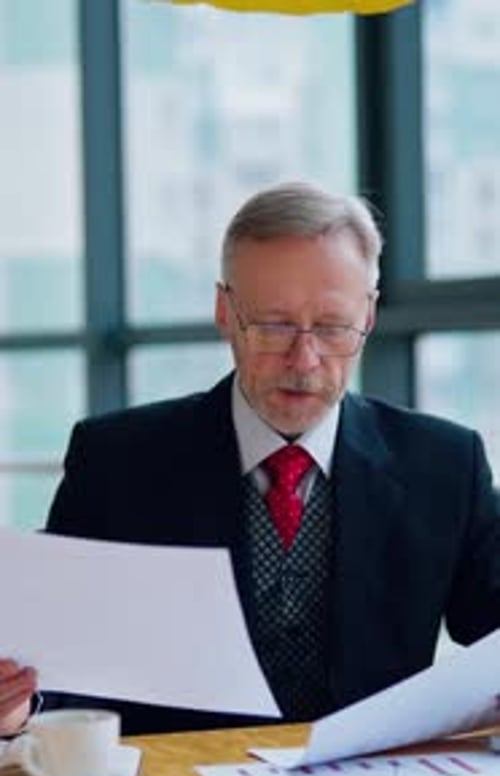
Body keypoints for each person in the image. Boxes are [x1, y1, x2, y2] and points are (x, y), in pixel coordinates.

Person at [2, 181, 500, 738]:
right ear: (224, 311)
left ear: (370, 317)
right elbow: (66, 661)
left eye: (333, 328)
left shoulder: (445, 464)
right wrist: (19, 703)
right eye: (274, 325)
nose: (304, 359)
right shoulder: (117, 461)